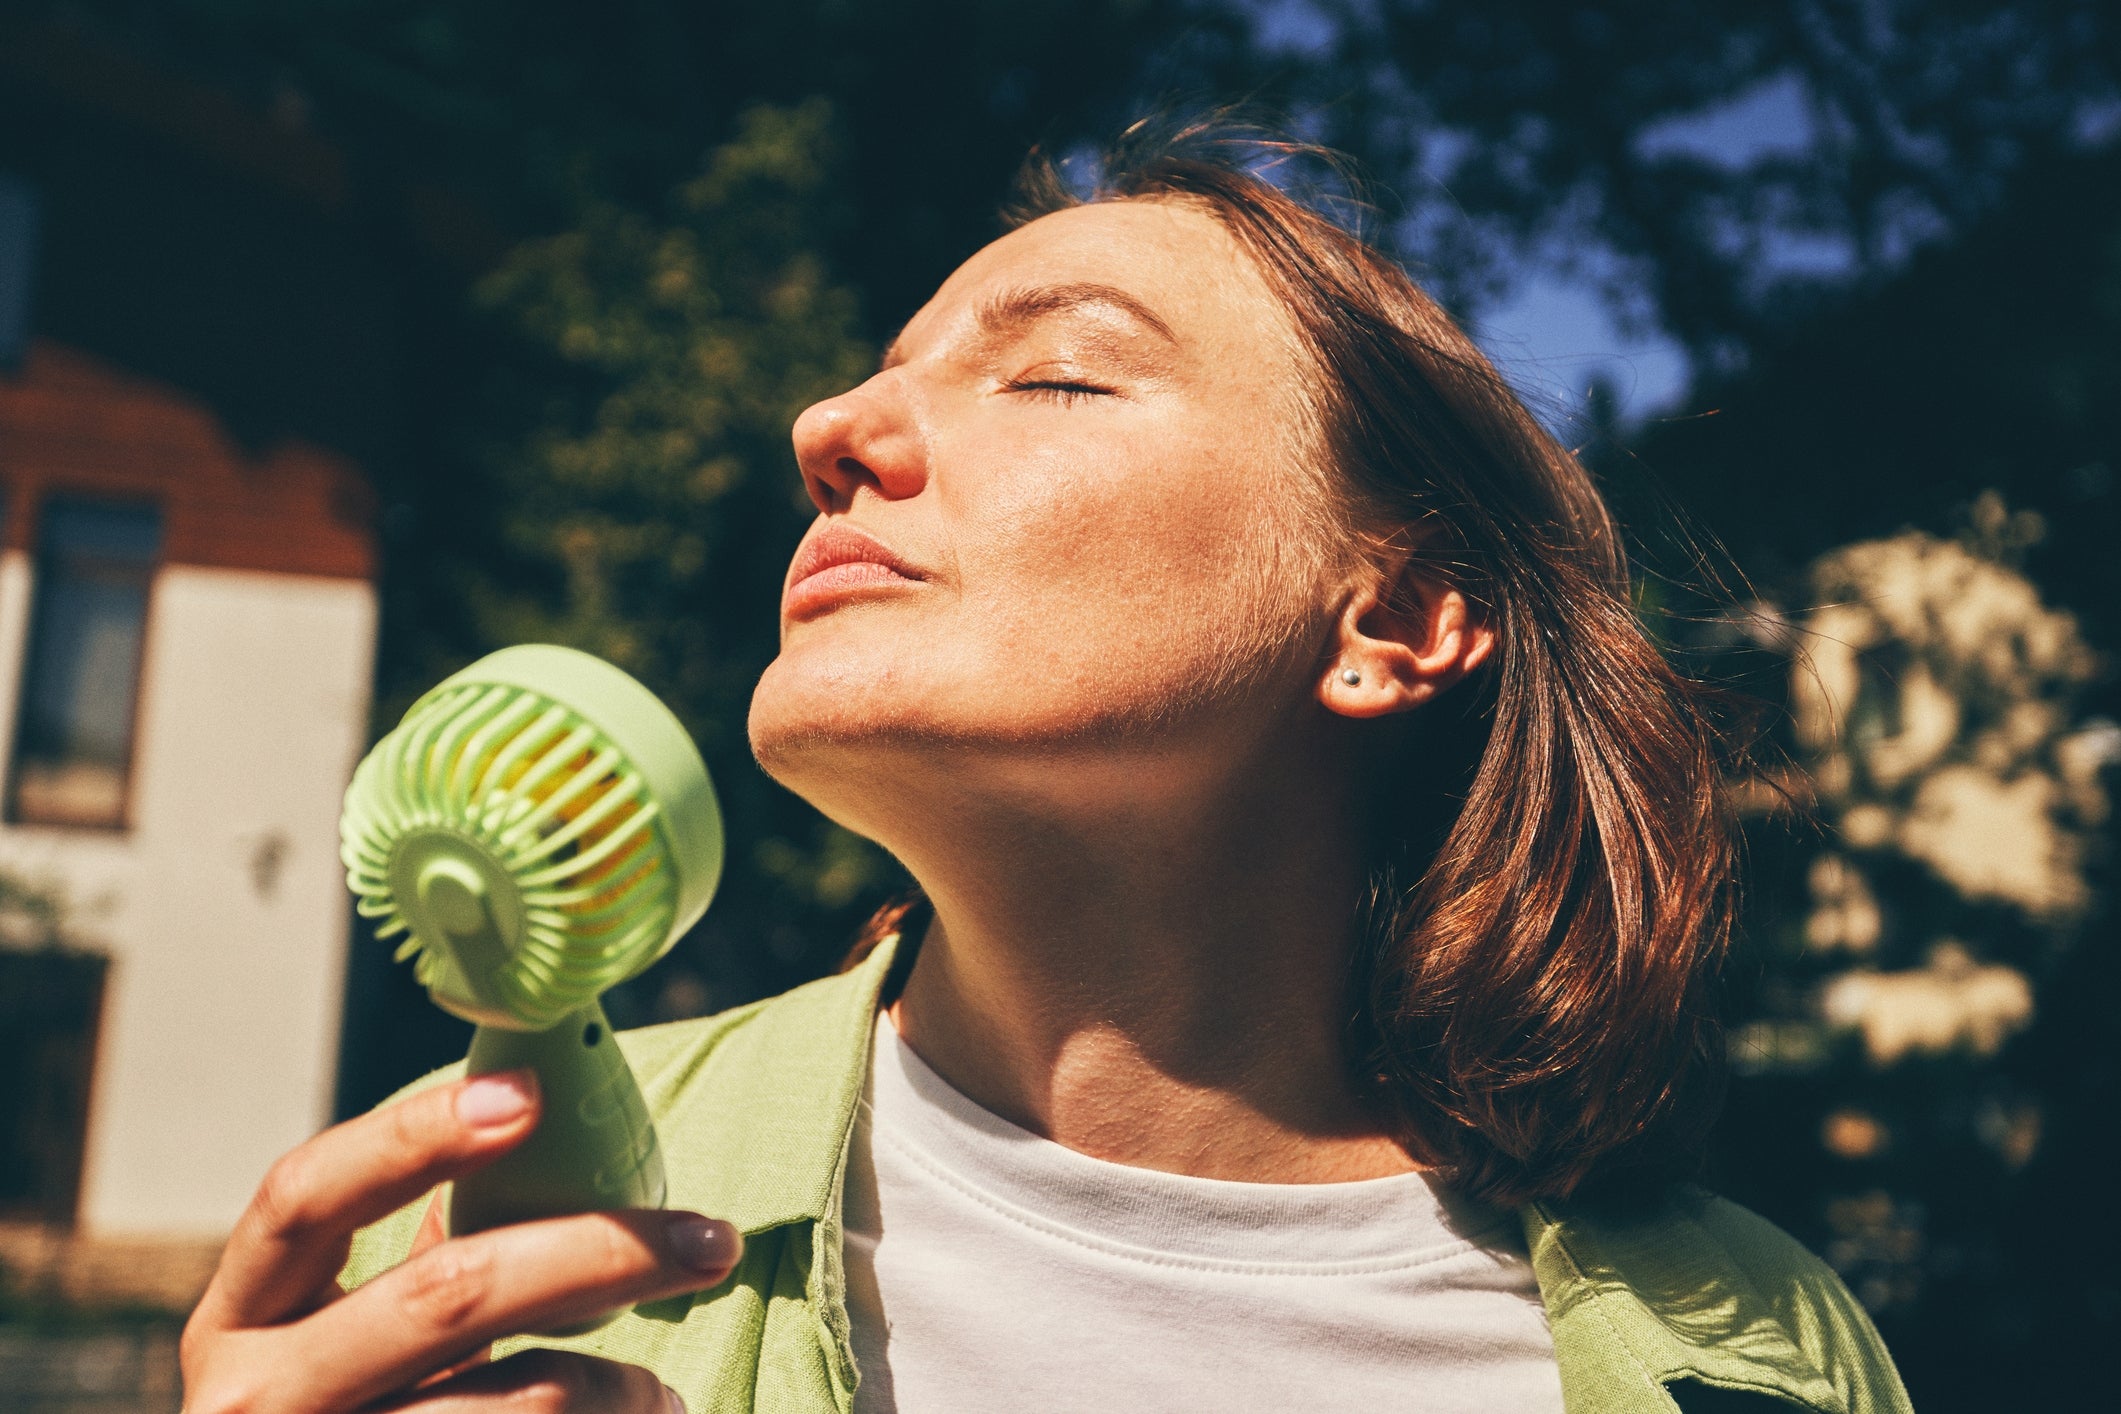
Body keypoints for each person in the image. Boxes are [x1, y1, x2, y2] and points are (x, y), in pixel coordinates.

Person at [178, 125, 1911, 1414]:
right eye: (883, 372)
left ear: (1388, 616)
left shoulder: (1766, 1352)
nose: (829, 429)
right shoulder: (480, 1231)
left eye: (1058, 373)